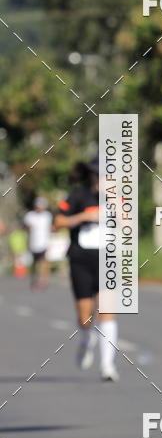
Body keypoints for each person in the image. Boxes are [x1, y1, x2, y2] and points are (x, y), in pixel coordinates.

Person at [54, 159, 119, 381]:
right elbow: (58, 222)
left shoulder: (119, 198)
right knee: (85, 317)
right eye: (99, 176)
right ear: (92, 176)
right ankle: (86, 339)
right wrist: (83, 217)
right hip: (81, 260)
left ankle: (107, 366)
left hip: (108, 260)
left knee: (107, 312)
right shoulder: (78, 195)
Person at [24, 197, 53, 289]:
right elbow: (28, 227)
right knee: (35, 263)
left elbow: (50, 228)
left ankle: (43, 281)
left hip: (44, 243)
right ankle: (37, 279)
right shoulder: (30, 215)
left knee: (43, 262)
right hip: (34, 243)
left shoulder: (47, 215)